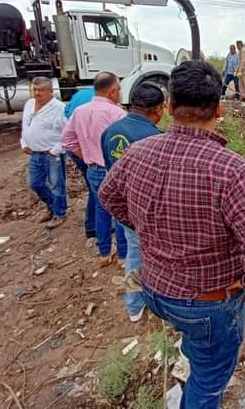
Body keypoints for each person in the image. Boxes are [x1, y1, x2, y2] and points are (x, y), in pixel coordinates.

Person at [99, 61, 245, 408]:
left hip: (154, 290)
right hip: (207, 304)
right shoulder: (230, 169)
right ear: (219, 108)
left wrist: (148, 231)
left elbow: (107, 196)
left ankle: (192, 351)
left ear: (169, 106)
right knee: (209, 382)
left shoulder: (137, 153)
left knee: (196, 344)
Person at [100, 83, 166, 322]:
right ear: (159, 110)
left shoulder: (109, 132)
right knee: (155, 258)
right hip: (151, 215)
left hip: (126, 212)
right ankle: (158, 301)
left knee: (134, 256)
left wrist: (124, 215)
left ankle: (134, 305)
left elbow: (109, 178)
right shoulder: (156, 139)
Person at [60, 72, 128, 267]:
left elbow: (66, 140)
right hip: (113, 169)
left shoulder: (79, 111)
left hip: (93, 169)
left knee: (101, 209)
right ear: (113, 91)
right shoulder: (116, 113)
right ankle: (123, 256)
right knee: (120, 211)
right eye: (119, 90)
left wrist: (86, 155)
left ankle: (104, 252)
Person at [20, 76, 68, 230]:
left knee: (56, 186)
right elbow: (25, 125)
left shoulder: (60, 108)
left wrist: (56, 150)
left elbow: (68, 133)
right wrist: (24, 142)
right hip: (35, 153)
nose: (37, 93)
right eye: (34, 89)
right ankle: (52, 207)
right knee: (35, 183)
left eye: (41, 90)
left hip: (52, 154)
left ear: (50, 91)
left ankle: (59, 213)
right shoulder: (29, 104)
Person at [64, 86, 96, 238]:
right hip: (88, 152)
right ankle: (93, 227)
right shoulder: (105, 104)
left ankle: (92, 226)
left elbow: (66, 113)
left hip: (77, 150)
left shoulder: (80, 95)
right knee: (96, 189)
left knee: (93, 187)